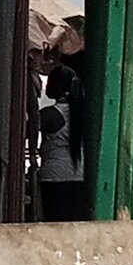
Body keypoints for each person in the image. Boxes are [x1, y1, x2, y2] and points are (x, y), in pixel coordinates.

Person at [38, 64, 85, 221]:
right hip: (77, 175)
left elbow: (25, 129)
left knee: (53, 223)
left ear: (58, 86)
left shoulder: (50, 114)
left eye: (50, 82)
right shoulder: (80, 113)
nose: (47, 85)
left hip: (54, 176)